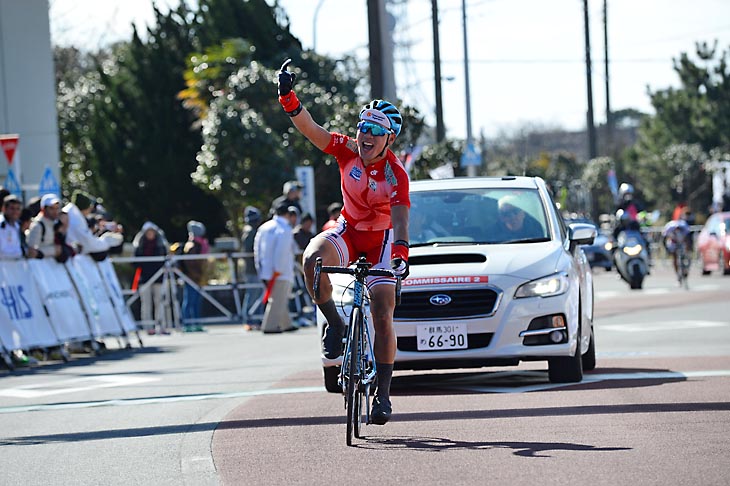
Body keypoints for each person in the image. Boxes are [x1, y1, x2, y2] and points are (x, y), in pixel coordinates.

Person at [277, 59, 410, 425]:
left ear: (389, 139)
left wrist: (400, 253)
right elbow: (312, 130)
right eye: (362, 127)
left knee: (383, 311)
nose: (365, 135)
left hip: (381, 240)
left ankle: (383, 395)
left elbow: (400, 218)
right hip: (349, 231)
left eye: (375, 131)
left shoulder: (395, 173)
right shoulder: (346, 149)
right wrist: (288, 97)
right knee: (311, 260)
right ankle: (335, 325)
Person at [254, 202, 299, 334]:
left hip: (266, 269)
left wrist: (261, 268)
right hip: (280, 271)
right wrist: (278, 269)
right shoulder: (284, 229)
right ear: (287, 214)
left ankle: (286, 323)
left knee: (279, 297)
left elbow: (257, 250)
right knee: (277, 299)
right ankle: (270, 326)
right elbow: (282, 252)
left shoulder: (264, 227)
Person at [133, 221, 169, 335]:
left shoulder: (160, 245)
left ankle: (161, 325)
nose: (150, 234)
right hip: (144, 278)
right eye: (148, 232)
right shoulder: (140, 246)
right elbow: (135, 263)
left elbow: (164, 259)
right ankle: (147, 326)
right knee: (146, 303)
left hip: (158, 277)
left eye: (152, 232)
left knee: (160, 302)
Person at [64, 190, 121, 260]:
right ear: (84, 208)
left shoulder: (72, 213)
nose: (90, 209)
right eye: (89, 207)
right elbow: (89, 244)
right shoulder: (76, 219)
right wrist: (106, 241)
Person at [179, 220, 210, 330]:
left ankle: (196, 323)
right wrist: (196, 275)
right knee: (189, 301)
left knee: (197, 301)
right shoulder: (191, 245)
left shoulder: (200, 244)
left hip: (198, 277)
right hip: (192, 278)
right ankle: (187, 323)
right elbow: (190, 264)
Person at [241, 206, 264, 330]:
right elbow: (250, 252)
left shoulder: (251, 231)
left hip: (255, 269)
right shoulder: (250, 232)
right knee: (252, 294)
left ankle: (255, 318)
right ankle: (249, 319)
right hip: (252, 269)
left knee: (257, 294)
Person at [26, 193, 61, 260]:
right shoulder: (37, 226)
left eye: (57, 208)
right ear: (43, 209)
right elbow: (32, 252)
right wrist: (54, 250)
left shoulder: (55, 223)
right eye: (51, 208)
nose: (55, 211)